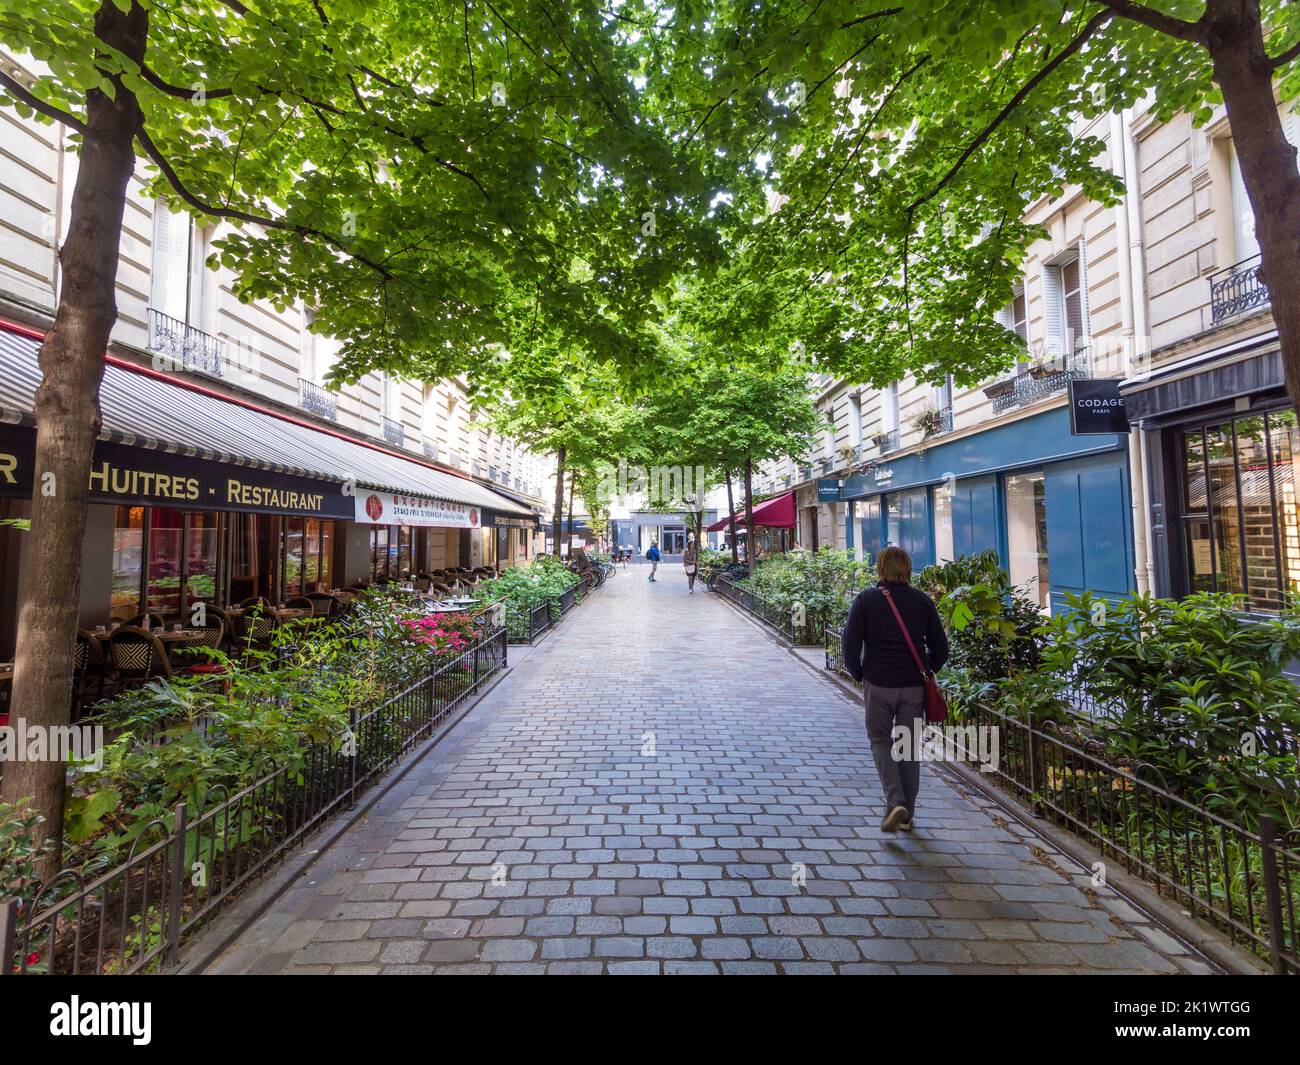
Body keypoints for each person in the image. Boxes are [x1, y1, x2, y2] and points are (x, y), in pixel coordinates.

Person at [841, 546, 948, 834]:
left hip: (878, 683)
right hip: (913, 686)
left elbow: (850, 642)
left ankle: (895, 800)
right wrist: (928, 670)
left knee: (880, 740)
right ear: (908, 569)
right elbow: (941, 647)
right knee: (908, 746)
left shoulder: (866, 600)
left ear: (880, 569)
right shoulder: (922, 601)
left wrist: (858, 672)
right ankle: (907, 814)